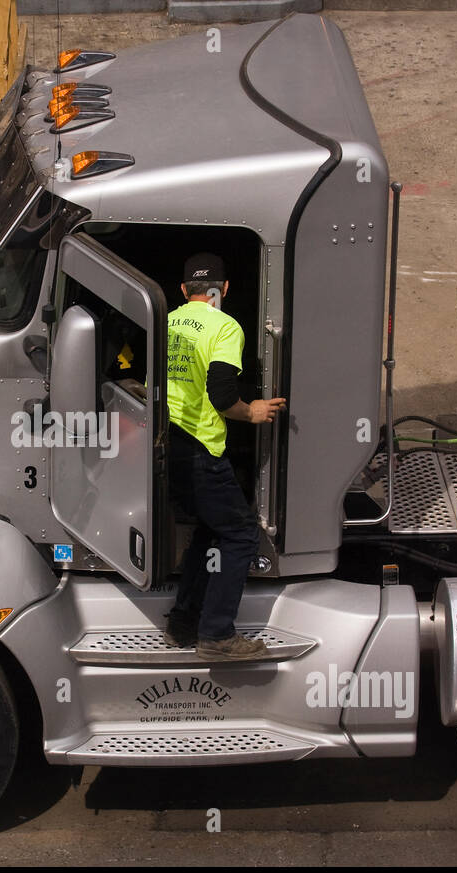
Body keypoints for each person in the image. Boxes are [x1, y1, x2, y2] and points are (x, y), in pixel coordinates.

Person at [164, 252, 285, 661]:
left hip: (171, 447)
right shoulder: (224, 326)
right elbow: (221, 393)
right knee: (241, 534)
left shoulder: (165, 322)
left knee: (207, 530)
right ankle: (216, 635)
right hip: (202, 449)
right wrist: (252, 411)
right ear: (224, 289)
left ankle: (182, 624)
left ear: (184, 291)